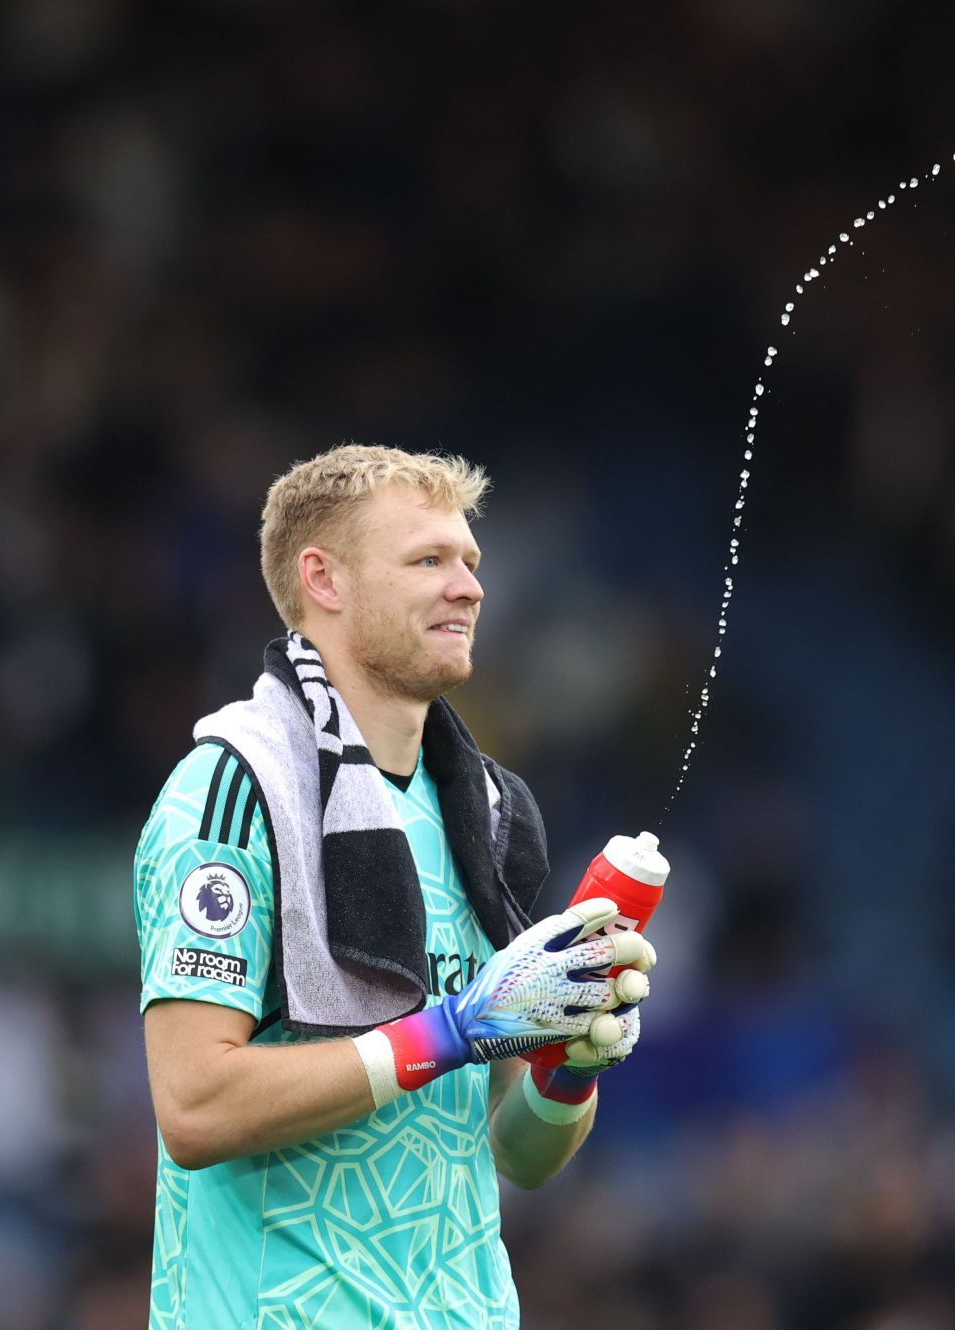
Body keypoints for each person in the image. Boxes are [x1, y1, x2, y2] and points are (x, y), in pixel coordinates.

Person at [135, 444, 656, 1328]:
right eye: (428, 561)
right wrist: (448, 1031)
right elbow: (194, 1106)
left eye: (470, 562)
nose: (470, 588)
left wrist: (569, 1067)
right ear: (324, 581)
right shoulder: (232, 791)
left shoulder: (489, 810)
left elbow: (514, 1153)